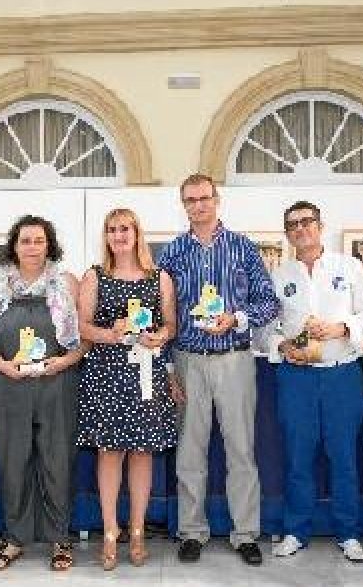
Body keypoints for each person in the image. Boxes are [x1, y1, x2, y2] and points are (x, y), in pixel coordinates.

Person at [157, 173, 279, 567]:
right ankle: (191, 532)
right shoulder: (172, 253)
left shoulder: (243, 248)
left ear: (217, 199)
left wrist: (237, 318)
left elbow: (269, 302)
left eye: (204, 198)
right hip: (188, 360)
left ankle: (245, 534)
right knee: (190, 452)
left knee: (241, 450)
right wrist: (167, 367)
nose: (198, 205)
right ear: (183, 204)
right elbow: (162, 314)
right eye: (190, 199)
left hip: (234, 359)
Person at [0, 215, 87, 572]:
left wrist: (64, 362)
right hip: (8, 384)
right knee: (13, 461)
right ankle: (15, 538)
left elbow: (83, 338)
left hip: (57, 382)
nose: (32, 246)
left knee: (57, 461)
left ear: (49, 244)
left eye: (39, 240)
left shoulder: (68, 282)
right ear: (14, 245)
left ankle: (59, 539)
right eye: (25, 240)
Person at [268, 201, 363, 562]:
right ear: (287, 234)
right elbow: (265, 327)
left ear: (320, 226)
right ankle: (295, 530)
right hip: (296, 378)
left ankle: (348, 533)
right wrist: (282, 344)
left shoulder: (349, 267)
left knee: (343, 456)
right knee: (298, 457)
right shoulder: (279, 276)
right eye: (293, 225)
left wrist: (341, 328)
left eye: (307, 222)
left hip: (341, 374)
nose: (301, 229)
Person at [75, 208, 179, 570]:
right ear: (106, 236)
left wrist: (159, 336)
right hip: (106, 374)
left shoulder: (159, 277)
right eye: (112, 230)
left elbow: (171, 325)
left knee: (142, 453)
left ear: (137, 233)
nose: (119, 235)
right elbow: (82, 328)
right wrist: (112, 334)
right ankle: (109, 532)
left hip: (146, 376)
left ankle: (136, 531)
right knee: (109, 453)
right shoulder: (95, 276)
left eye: (125, 229)